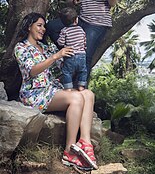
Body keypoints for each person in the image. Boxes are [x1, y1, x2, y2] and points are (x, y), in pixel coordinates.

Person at [14, 12, 98, 171]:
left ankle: (85, 143)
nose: (43, 29)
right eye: (39, 25)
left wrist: (74, 57)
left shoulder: (47, 47)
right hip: (35, 94)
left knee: (88, 94)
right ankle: (69, 151)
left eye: (44, 26)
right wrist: (55, 56)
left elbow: (62, 67)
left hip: (52, 89)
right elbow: (32, 71)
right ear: (29, 26)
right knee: (76, 99)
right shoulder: (21, 47)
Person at [46, 0, 117, 80]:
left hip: (97, 24)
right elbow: (69, 1)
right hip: (80, 21)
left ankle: (80, 90)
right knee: (51, 26)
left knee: (85, 56)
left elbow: (112, 4)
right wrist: (74, 1)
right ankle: (69, 51)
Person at [57, 7, 87, 91]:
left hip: (70, 55)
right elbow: (84, 41)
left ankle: (68, 88)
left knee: (67, 72)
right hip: (82, 55)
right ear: (76, 19)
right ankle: (81, 86)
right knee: (83, 71)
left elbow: (61, 43)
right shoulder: (81, 29)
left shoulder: (64, 30)